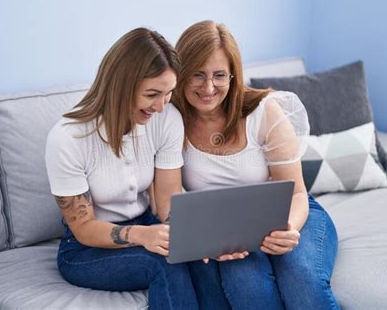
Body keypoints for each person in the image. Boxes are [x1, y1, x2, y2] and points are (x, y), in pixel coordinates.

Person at [170, 20, 340, 309]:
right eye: (197, 75)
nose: (208, 87)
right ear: (181, 74)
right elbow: (170, 201)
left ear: (234, 76)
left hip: (291, 212)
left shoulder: (264, 113)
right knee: (245, 285)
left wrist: (289, 229)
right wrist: (210, 239)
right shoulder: (171, 120)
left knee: (302, 279)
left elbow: (297, 193)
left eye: (220, 75)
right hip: (225, 228)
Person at [44, 27, 198, 310]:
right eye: (152, 94)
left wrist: (194, 239)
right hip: (86, 249)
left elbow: (167, 203)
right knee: (164, 262)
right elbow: (84, 229)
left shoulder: (166, 119)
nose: (161, 107)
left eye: (168, 94)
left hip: (148, 224)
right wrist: (143, 236)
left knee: (203, 260)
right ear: (121, 85)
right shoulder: (67, 138)